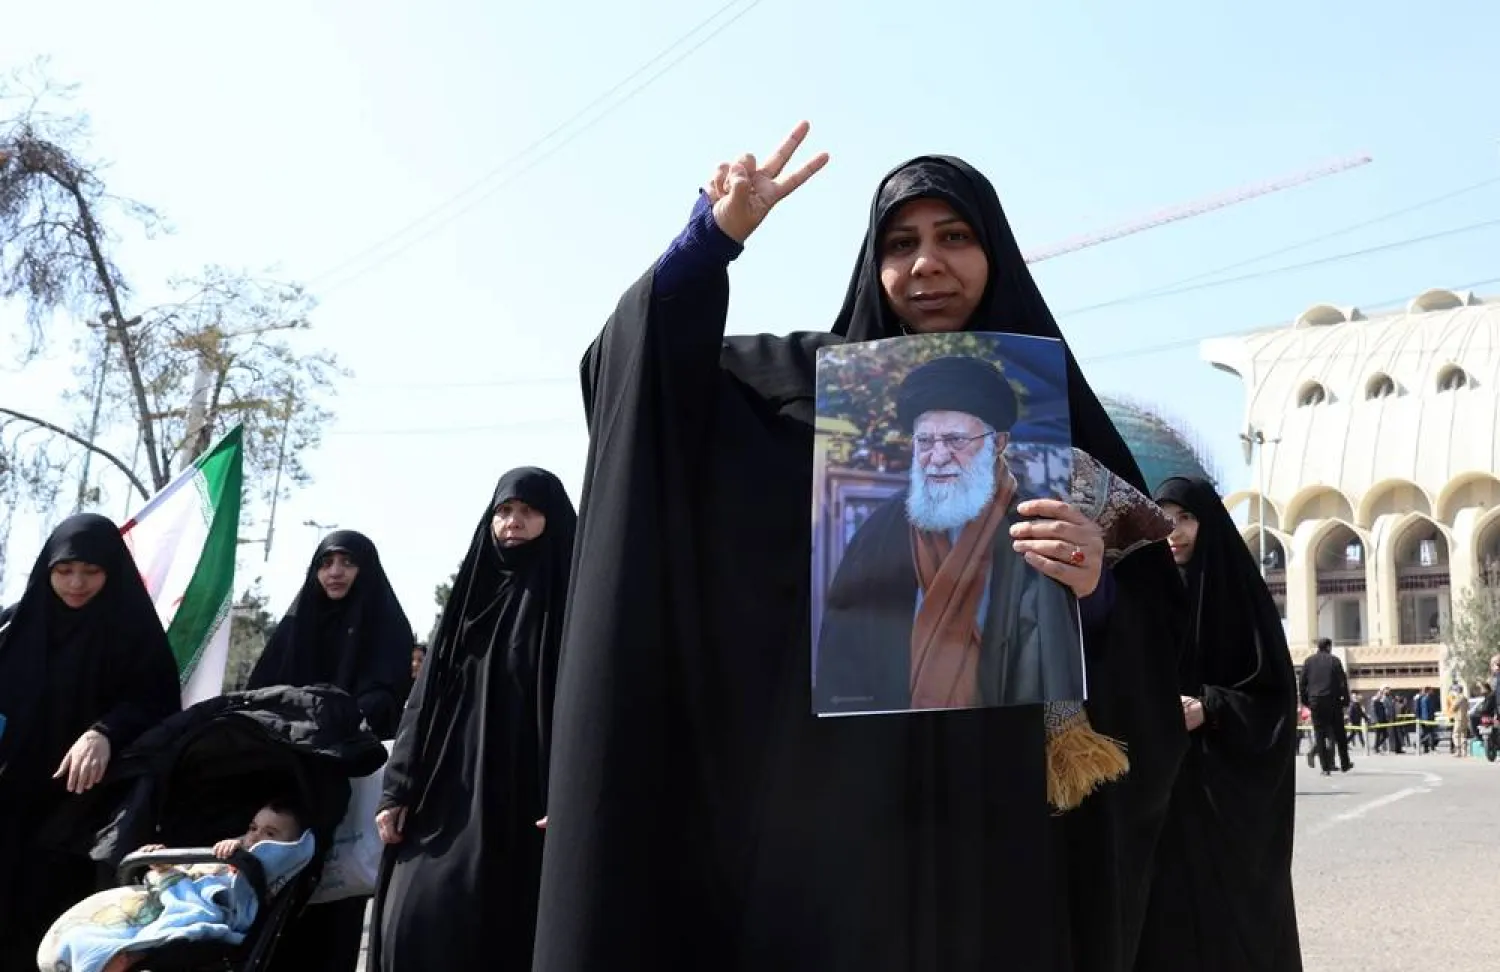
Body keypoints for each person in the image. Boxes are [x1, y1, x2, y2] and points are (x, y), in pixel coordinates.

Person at [534, 123, 1188, 971]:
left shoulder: (1059, 425)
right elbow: (632, 377)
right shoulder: (800, 399)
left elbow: (1154, 630)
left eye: (955, 238)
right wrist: (712, 238)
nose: (926, 264)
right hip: (832, 829)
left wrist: (1091, 588)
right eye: (900, 242)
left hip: (998, 828)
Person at [370, 468, 577, 972]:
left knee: (508, 926)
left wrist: (570, 790)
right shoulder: (470, 596)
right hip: (449, 787)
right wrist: (398, 788)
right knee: (415, 918)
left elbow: (582, 702)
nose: (513, 522)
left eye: (528, 511)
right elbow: (426, 695)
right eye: (505, 510)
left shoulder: (570, 597)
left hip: (528, 791)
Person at [816, 355, 1084, 712]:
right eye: (925, 442)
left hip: (1008, 736)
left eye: (955, 440)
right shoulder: (880, 530)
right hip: (896, 741)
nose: (938, 456)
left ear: (999, 443)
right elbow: (844, 647)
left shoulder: (1035, 523)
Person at [0, 514, 182, 967]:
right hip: (9, 807)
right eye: (64, 571)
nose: (76, 583)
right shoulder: (13, 628)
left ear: (112, 571)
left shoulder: (135, 636)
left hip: (82, 816)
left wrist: (105, 732)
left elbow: (156, 703)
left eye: (90, 571)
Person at [1137, 476, 1302, 970]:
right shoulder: (1144, 595)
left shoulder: (1240, 600)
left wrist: (1210, 706)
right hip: (1161, 781)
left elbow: (1274, 700)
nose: (1174, 530)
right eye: (1163, 517)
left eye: (1185, 517)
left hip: (1222, 791)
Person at [246, 529, 414, 972]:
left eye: (347, 563)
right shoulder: (297, 625)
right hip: (288, 784)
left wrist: (335, 719)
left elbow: (387, 697)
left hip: (346, 786)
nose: (335, 573)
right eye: (326, 563)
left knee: (334, 922)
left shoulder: (386, 626)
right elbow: (260, 693)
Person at [1300, 637, 1353, 775]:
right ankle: (1345, 763)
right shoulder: (1334, 661)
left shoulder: (1308, 661)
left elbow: (1302, 683)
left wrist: (1306, 701)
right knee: (1339, 733)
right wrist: (1345, 700)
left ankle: (1325, 768)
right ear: (1329, 647)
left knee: (1319, 734)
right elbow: (1342, 682)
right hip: (1333, 701)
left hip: (1316, 702)